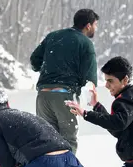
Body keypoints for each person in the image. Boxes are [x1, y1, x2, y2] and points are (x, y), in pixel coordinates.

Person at [30, 9, 100, 154]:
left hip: (43, 96)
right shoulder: (86, 43)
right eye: (95, 25)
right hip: (65, 97)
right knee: (68, 142)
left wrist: (46, 68)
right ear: (88, 26)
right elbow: (89, 80)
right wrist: (90, 102)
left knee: (46, 141)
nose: (96, 28)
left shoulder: (53, 36)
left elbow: (34, 60)